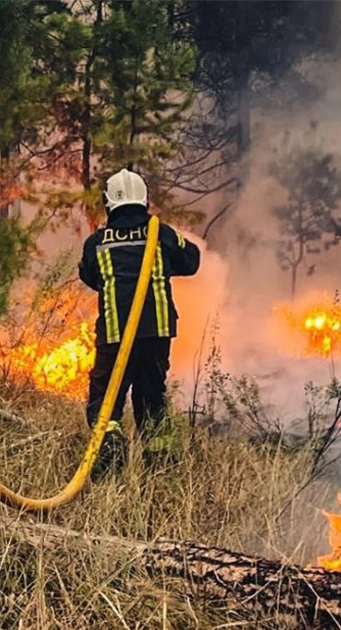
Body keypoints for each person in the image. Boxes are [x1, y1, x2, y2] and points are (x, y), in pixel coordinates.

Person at [78, 168, 200, 477]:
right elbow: (192, 261)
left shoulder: (97, 243)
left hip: (116, 336)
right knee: (152, 400)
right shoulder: (162, 235)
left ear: (109, 203)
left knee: (105, 402)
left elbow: (90, 276)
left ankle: (110, 453)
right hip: (156, 335)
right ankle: (160, 471)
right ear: (144, 202)